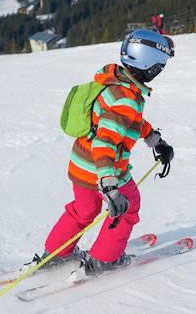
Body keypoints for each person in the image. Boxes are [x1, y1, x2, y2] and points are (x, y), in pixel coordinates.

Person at [41, 28, 175, 276]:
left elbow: (128, 123)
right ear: (151, 67)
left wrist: (155, 140)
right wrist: (110, 186)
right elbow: (106, 142)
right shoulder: (126, 99)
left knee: (84, 211)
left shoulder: (116, 83)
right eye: (161, 65)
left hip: (81, 165)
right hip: (105, 170)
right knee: (127, 207)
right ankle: (105, 258)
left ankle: (57, 253)